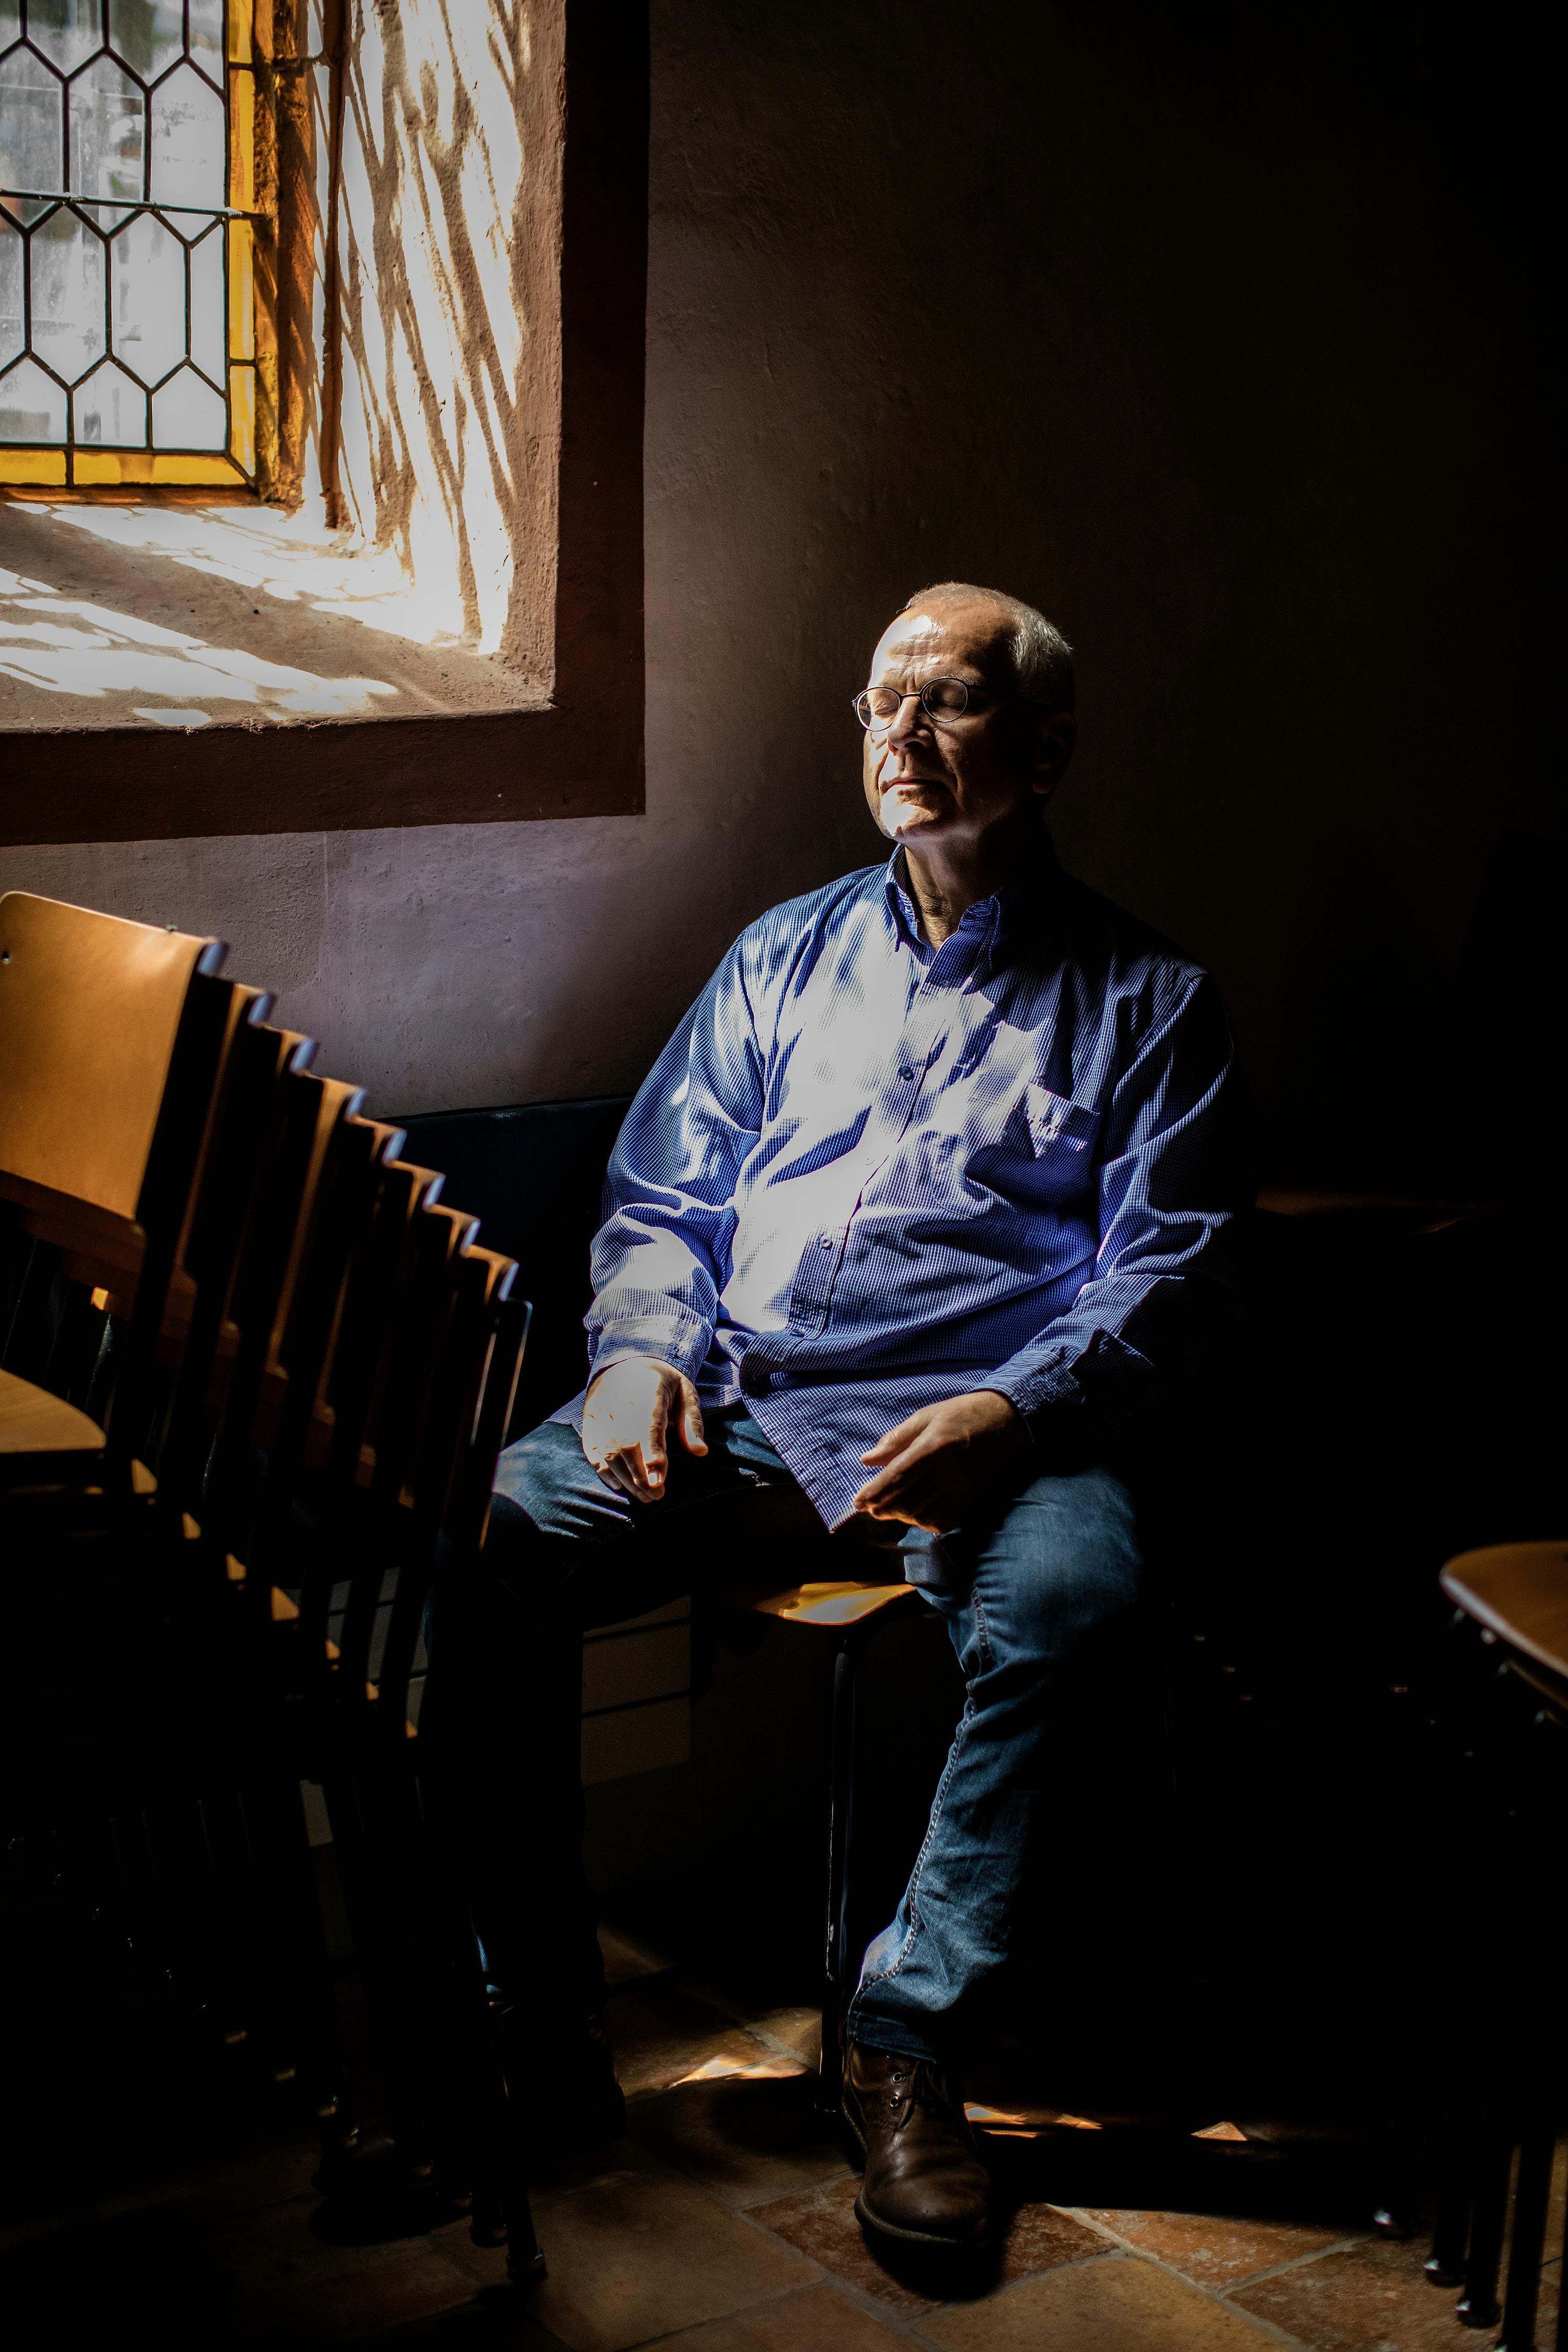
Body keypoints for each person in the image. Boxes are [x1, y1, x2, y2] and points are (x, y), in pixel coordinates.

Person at [428, 582, 1253, 2252]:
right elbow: (666, 1189)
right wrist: (635, 1354)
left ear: (1047, 744)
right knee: (484, 1542)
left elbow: (1166, 1274)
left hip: (987, 1436)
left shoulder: (1152, 1001)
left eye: (946, 704)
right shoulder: (781, 953)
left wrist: (1015, 1409)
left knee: (1080, 1606)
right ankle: (536, 2027)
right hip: (740, 1403)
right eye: (881, 707)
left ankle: (908, 2042)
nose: (900, 739)